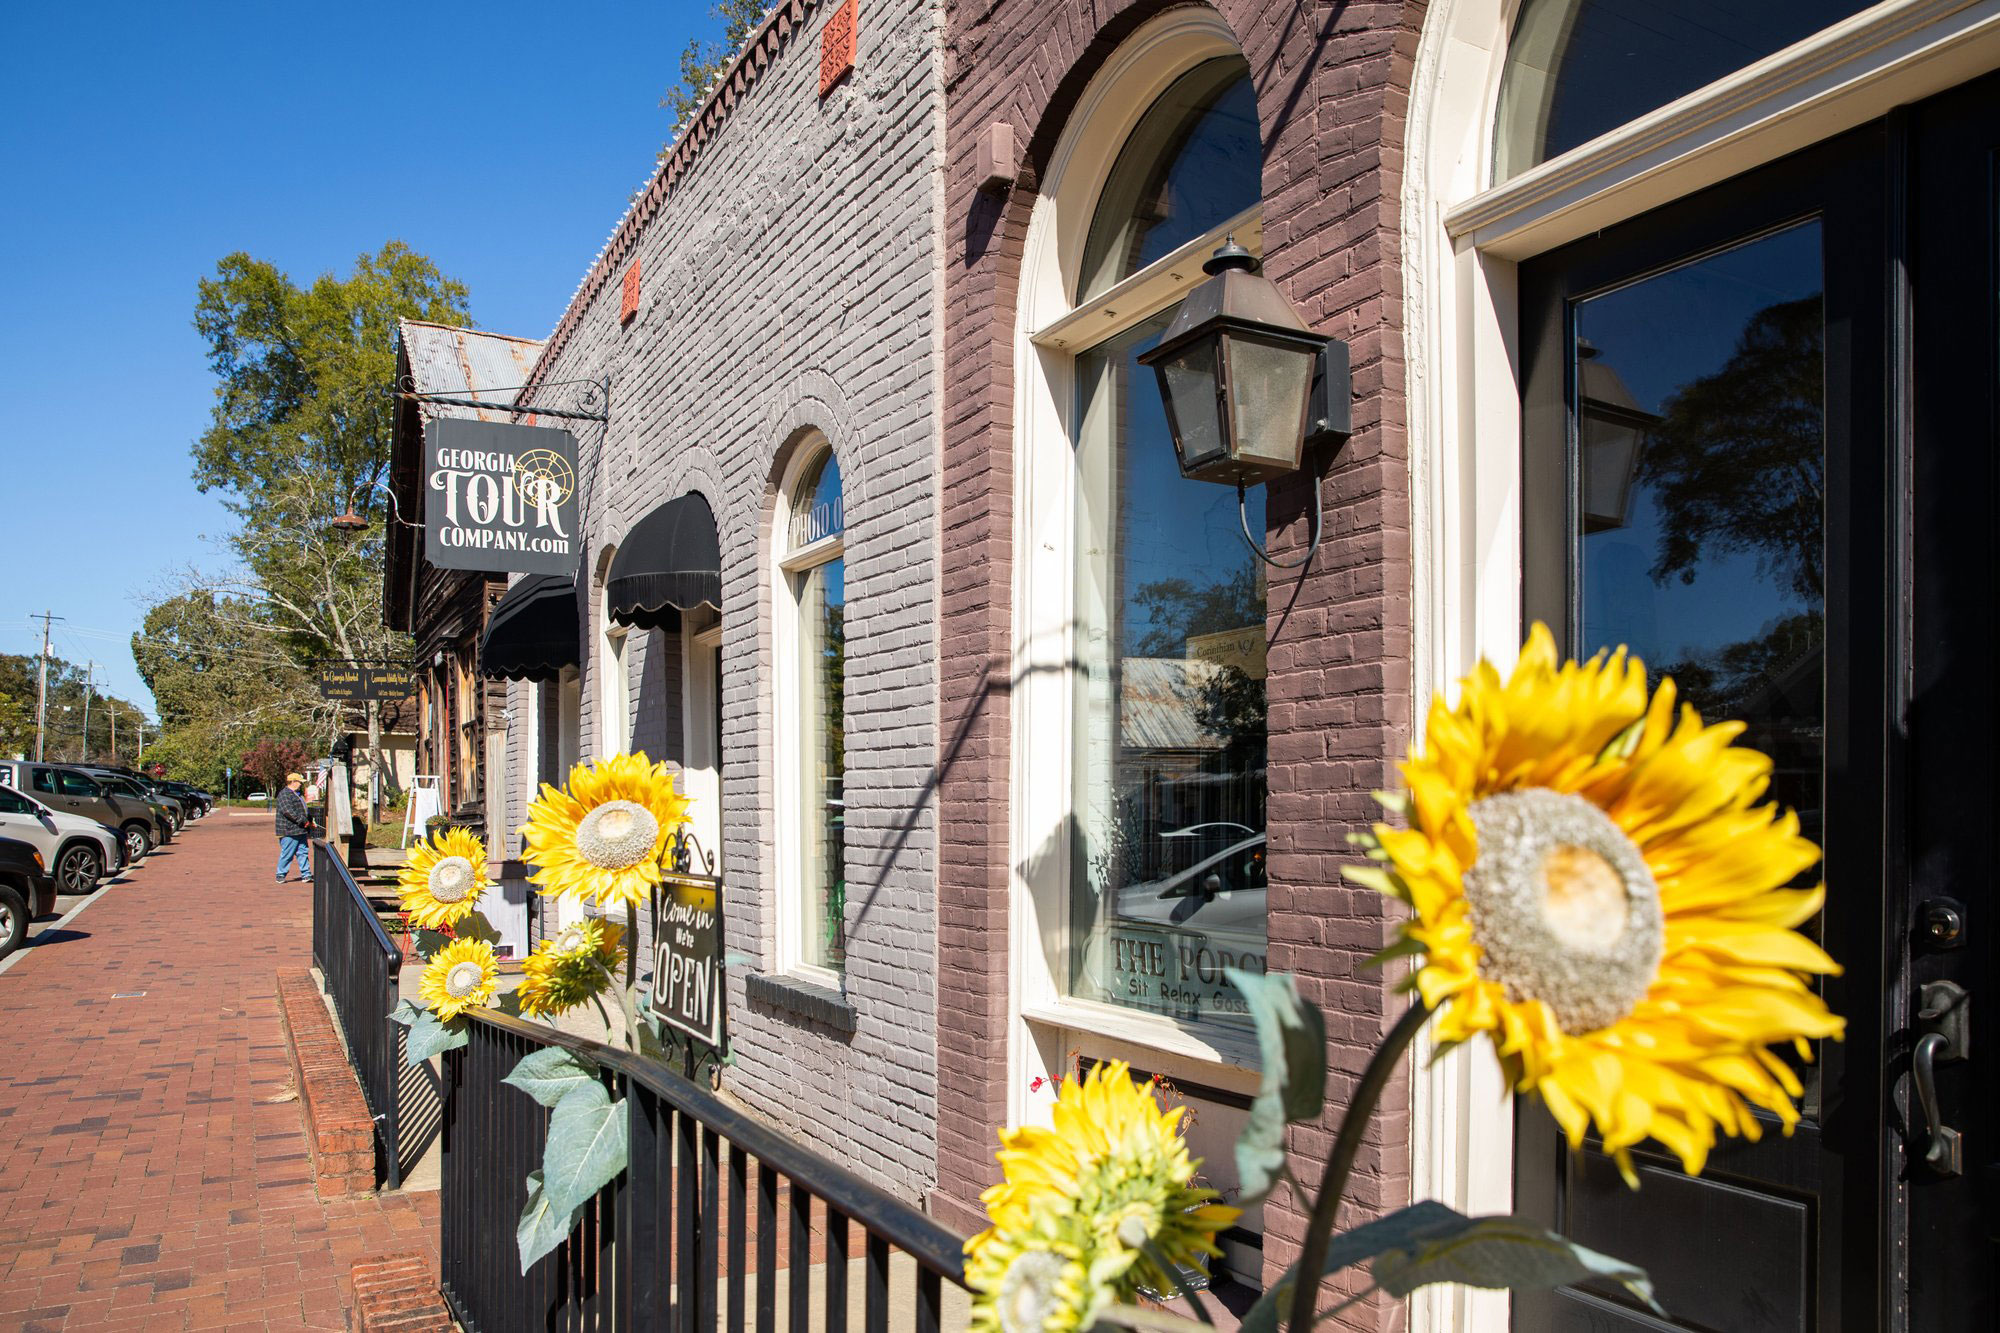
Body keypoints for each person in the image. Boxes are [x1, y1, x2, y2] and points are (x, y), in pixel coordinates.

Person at [275, 772, 316, 884]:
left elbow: (303, 810)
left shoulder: (297, 794)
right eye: (299, 782)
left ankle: (306, 874)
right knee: (287, 853)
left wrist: (310, 820)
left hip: (300, 829)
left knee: (303, 852)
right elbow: (288, 811)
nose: (300, 785)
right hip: (288, 830)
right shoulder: (284, 794)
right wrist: (303, 821)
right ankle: (280, 874)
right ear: (293, 782)